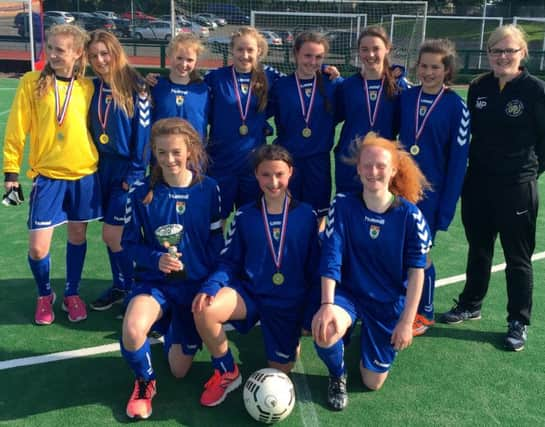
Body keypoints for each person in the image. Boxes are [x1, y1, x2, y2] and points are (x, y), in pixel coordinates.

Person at [440, 25, 545, 352]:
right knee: (479, 248)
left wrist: (529, 171)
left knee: (517, 257)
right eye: (496, 51)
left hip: (516, 186)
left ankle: (518, 320)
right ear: (488, 54)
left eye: (509, 51)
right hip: (479, 183)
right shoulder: (479, 87)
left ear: (522, 53)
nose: (502, 57)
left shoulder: (536, 90)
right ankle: (471, 303)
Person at [192, 144, 320, 407]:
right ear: (256, 176)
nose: (273, 182)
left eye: (279, 174)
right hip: (250, 294)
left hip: (288, 302)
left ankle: (290, 335)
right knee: (205, 309)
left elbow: (315, 269)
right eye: (265, 175)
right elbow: (229, 261)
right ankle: (227, 371)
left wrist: (309, 312)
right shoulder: (245, 215)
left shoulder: (307, 215)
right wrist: (211, 286)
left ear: (290, 173)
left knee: (279, 372)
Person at [312, 132, 431, 411]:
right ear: (358, 169)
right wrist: (327, 304)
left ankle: (366, 339)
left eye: (380, 166)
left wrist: (406, 322)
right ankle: (337, 373)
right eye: (367, 165)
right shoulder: (342, 204)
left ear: (393, 170)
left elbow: (417, 273)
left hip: (387, 302)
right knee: (324, 330)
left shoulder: (411, 216)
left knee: (371, 382)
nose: (373, 171)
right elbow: (331, 255)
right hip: (349, 295)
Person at [120, 118, 223, 419]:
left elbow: (217, 245)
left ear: (190, 150)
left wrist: (211, 284)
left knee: (179, 370)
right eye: (162, 152)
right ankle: (144, 382)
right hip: (156, 284)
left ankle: (169, 327)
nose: (170, 159)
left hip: (193, 288)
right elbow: (129, 245)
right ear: (153, 151)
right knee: (133, 328)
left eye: (176, 151)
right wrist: (156, 259)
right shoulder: (141, 192)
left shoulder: (209, 189)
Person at [3, 24, 101, 325]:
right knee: (37, 246)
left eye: (60, 49)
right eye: (51, 48)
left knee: (77, 236)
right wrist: (10, 173)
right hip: (47, 177)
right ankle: (45, 294)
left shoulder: (88, 86)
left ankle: (72, 293)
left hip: (85, 174)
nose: (53, 54)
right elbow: (16, 129)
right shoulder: (32, 82)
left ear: (77, 53)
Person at [399, 39, 470, 336]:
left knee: (421, 253)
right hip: (400, 189)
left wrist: (447, 208)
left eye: (435, 67)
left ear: (447, 70)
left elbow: (458, 164)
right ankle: (403, 305)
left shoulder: (457, 107)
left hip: (431, 196)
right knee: (398, 249)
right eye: (424, 66)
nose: (428, 72)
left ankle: (424, 312)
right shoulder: (405, 97)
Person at [86, 30, 151, 311]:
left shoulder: (137, 85)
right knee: (118, 235)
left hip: (127, 170)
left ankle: (131, 288)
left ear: (116, 52)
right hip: (102, 170)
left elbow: (144, 134)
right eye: (94, 56)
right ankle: (121, 285)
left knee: (114, 236)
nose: (100, 60)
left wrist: (135, 173)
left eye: (105, 53)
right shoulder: (92, 87)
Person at [204, 26, 282, 220]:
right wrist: (155, 81)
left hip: (254, 164)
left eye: (250, 50)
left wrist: (324, 70)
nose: (245, 55)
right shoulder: (215, 77)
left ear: (259, 52)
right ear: (232, 50)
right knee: (216, 220)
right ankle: (218, 251)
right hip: (221, 161)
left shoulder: (270, 76)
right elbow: (185, 84)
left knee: (251, 218)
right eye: (240, 49)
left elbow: (299, 80)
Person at [269, 31, 342, 224]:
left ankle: (316, 250)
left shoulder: (333, 84)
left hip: (318, 161)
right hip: (287, 161)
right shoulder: (281, 86)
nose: (313, 61)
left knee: (318, 215)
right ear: (296, 54)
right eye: (308, 55)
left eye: (319, 57)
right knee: (287, 213)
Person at [335, 26, 400, 194]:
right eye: (364, 49)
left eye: (376, 49)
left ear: (387, 49)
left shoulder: (400, 88)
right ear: (358, 51)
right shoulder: (347, 86)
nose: (370, 55)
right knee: (349, 213)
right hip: (350, 161)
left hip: (382, 164)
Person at [151, 33, 209, 141]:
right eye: (179, 58)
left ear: (196, 61)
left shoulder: (204, 90)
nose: (183, 64)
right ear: (169, 55)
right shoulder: (155, 85)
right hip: (163, 154)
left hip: (194, 155)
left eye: (190, 60)